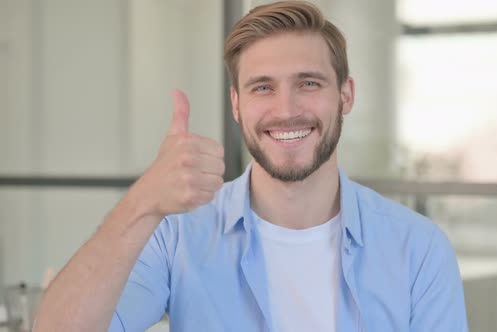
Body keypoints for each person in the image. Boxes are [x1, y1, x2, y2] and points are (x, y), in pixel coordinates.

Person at [34, 1, 468, 331]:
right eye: (263, 87)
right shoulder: (179, 233)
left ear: (346, 95)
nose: (286, 109)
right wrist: (143, 202)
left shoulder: (419, 250)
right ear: (236, 105)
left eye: (309, 83)